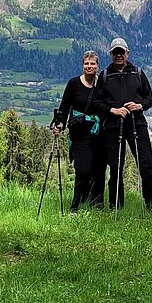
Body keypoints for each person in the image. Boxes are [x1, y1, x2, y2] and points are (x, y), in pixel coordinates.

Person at [93, 37, 152, 211]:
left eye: (121, 52)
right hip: (113, 126)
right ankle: (116, 204)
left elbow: (149, 99)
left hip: (136, 123)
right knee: (116, 166)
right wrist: (112, 110)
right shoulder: (105, 75)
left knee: (145, 163)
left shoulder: (138, 73)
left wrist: (139, 106)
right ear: (111, 54)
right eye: (115, 52)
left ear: (127, 53)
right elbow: (97, 102)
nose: (119, 55)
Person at [53, 50, 100, 212]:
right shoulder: (74, 84)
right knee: (82, 168)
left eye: (92, 63)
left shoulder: (100, 84)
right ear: (82, 66)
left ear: (97, 66)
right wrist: (59, 124)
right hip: (79, 133)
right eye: (86, 63)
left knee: (96, 169)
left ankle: (92, 202)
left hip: (97, 133)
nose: (89, 66)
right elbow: (65, 106)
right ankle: (75, 205)